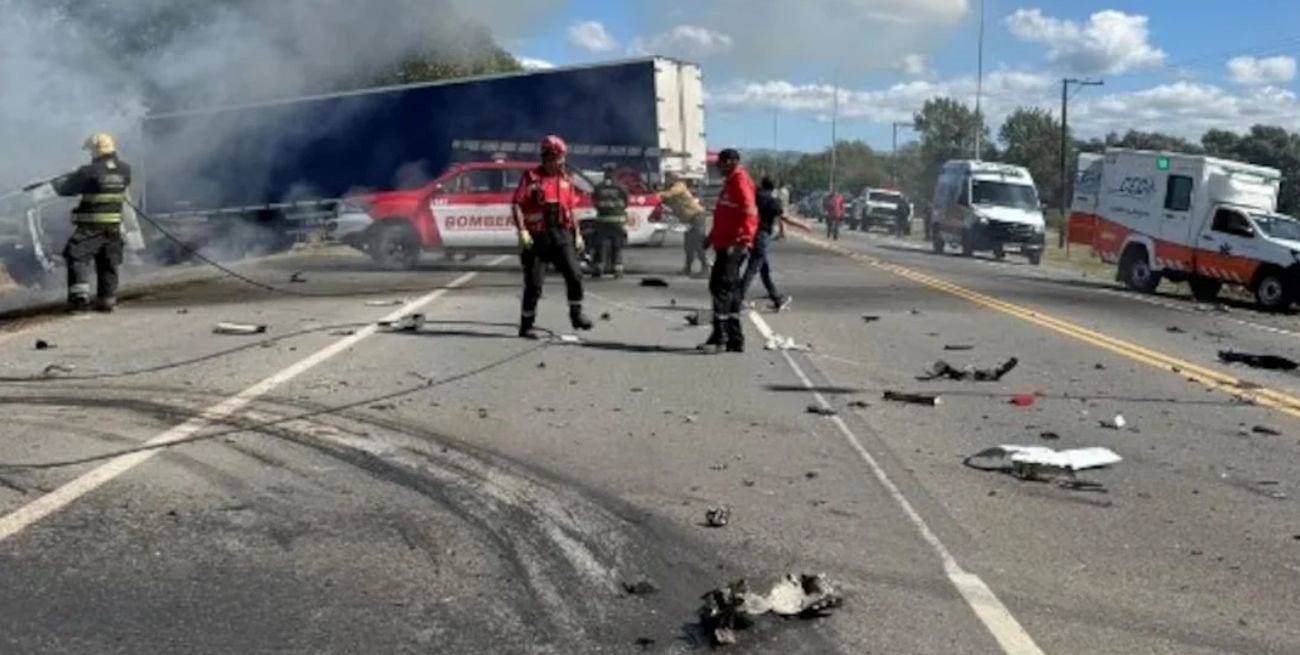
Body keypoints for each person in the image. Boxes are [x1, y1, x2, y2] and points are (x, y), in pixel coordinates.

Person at [511, 135, 593, 338]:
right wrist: (522, 231)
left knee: (575, 274)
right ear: (548, 157)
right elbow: (516, 204)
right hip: (536, 237)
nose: (562, 162)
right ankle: (526, 325)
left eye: (562, 158)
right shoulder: (530, 177)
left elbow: (571, 209)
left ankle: (576, 314)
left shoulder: (566, 179)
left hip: (561, 234)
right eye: (558, 158)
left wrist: (578, 235)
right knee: (534, 284)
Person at [52, 132, 132, 313]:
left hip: (91, 226)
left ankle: (79, 301)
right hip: (113, 227)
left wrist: (58, 183)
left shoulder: (87, 171)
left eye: (90, 152)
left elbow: (65, 190)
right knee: (107, 260)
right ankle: (107, 299)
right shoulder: (125, 169)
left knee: (76, 256)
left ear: (95, 151)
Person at [702, 149, 758, 353]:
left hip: (733, 246)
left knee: (720, 289)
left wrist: (743, 242)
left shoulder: (740, 181)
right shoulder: (731, 182)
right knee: (730, 291)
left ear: (731, 162)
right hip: (725, 244)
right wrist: (709, 238)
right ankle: (735, 338)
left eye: (721, 163)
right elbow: (724, 215)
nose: (718, 167)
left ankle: (721, 337)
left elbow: (750, 213)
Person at [740, 176, 792, 312]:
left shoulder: (754, 196)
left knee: (764, 270)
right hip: (762, 236)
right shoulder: (773, 201)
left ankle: (777, 299)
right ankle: (737, 299)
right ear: (774, 188)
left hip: (750, 233)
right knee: (752, 269)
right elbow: (783, 218)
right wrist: (803, 225)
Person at [659, 172, 710, 276]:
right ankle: (688, 268)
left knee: (698, 244)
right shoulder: (671, 189)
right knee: (688, 245)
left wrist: (654, 195)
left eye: (667, 178)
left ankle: (706, 268)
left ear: (673, 179)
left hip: (696, 217)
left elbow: (668, 195)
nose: (666, 180)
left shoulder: (679, 186)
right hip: (689, 219)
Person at [590, 163, 630, 278]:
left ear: (605, 173)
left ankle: (599, 267)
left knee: (600, 244)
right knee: (617, 245)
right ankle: (617, 269)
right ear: (615, 173)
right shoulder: (621, 186)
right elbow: (626, 202)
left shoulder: (599, 187)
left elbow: (594, 202)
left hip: (602, 219)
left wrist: (603, 209)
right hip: (617, 220)